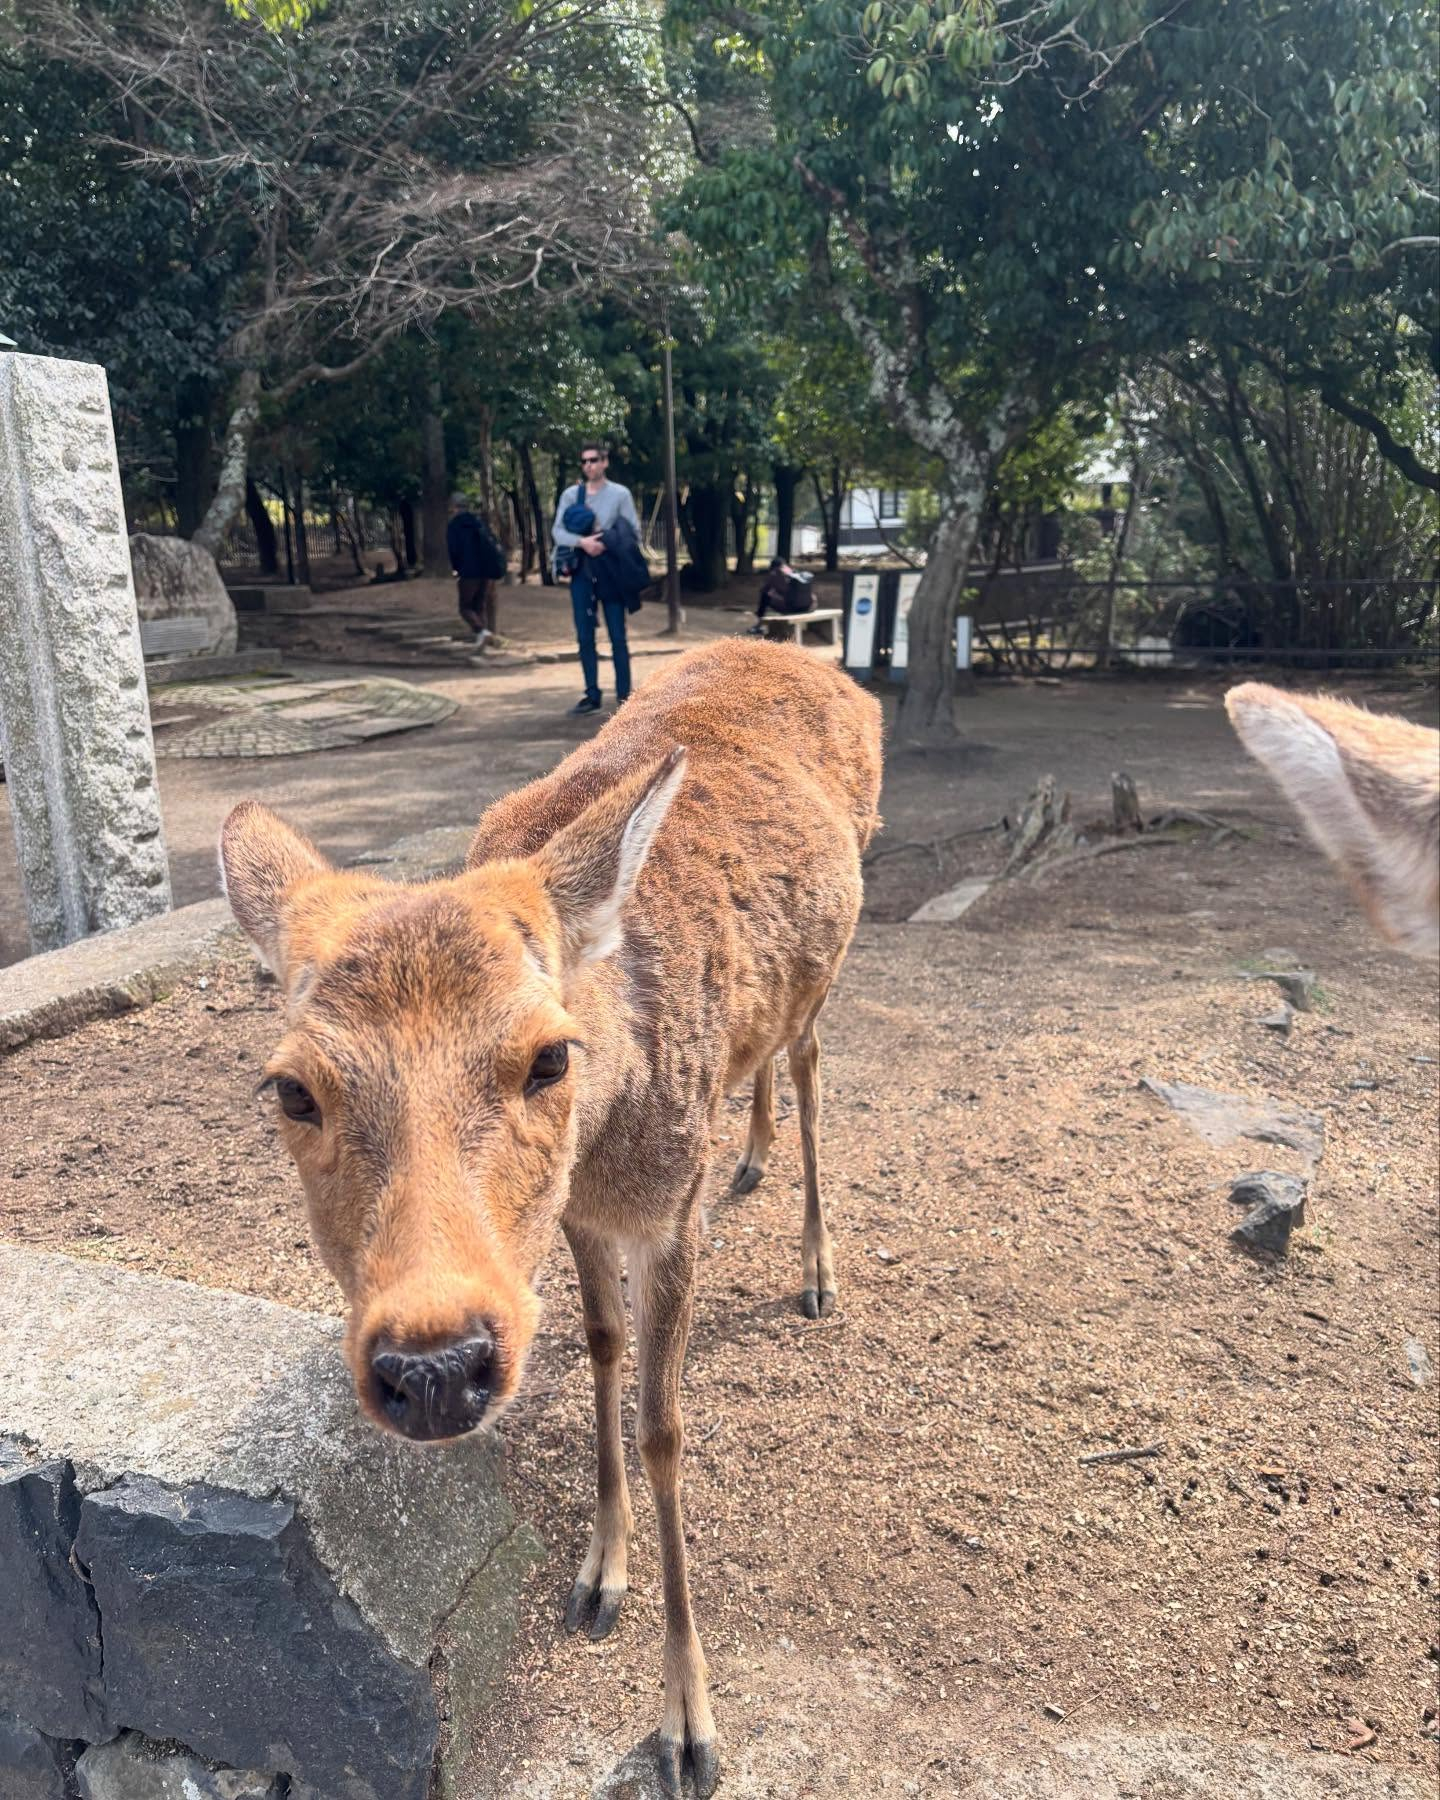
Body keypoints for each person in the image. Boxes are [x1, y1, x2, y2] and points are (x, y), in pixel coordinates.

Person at [551, 444, 642, 714]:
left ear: (605, 462)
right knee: (584, 634)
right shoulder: (571, 495)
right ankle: (591, 694)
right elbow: (557, 531)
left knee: (617, 635)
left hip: (610, 570)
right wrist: (583, 542)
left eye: (594, 460)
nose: (589, 465)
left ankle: (625, 697)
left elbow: (633, 532)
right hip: (581, 570)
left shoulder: (619, 494)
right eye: (584, 461)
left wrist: (604, 540)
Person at [446, 493, 505, 650]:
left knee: (465, 608)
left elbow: (454, 550)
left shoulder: (454, 525)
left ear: (454, 506)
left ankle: (482, 632)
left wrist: (456, 568)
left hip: (468, 571)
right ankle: (484, 641)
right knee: (479, 607)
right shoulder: (479, 522)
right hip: (486, 571)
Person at [751, 557, 814, 632]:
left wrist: (773, 593)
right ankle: (759, 622)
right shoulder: (793, 572)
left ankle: (758, 626)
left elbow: (764, 589)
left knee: (765, 596)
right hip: (807, 607)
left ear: (773, 566)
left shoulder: (774, 573)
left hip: (792, 608)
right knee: (776, 596)